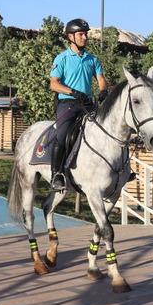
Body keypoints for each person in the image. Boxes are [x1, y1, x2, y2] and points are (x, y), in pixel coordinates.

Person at [49, 18, 108, 190]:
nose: (85, 37)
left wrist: (103, 91)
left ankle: (119, 169)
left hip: (88, 104)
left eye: (86, 34)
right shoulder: (62, 58)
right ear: (70, 37)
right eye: (81, 34)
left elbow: (101, 80)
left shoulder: (92, 59)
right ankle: (57, 174)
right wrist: (72, 91)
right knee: (62, 134)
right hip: (68, 103)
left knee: (108, 129)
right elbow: (53, 83)